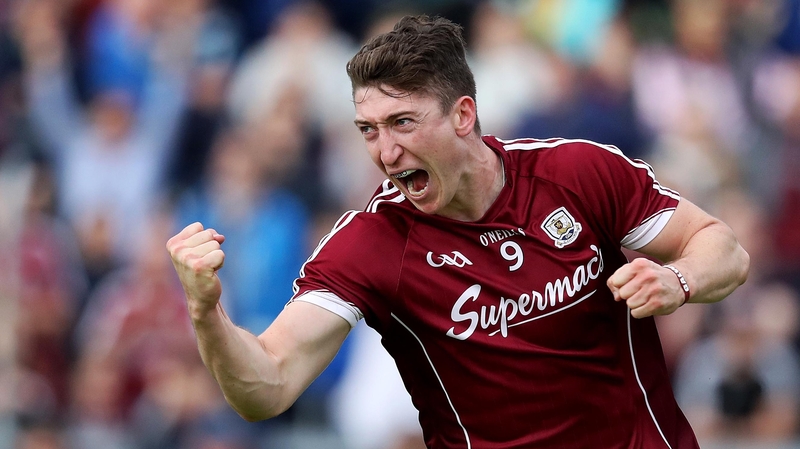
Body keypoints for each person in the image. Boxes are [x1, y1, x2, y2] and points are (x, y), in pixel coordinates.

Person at [166, 15, 750, 449]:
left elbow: (723, 248)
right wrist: (206, 313)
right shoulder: (371, 244)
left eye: (402, 123)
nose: (386, 152)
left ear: (463, 115)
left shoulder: (576, 172)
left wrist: (680, 278)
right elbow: (266, 386)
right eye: (367, 130)